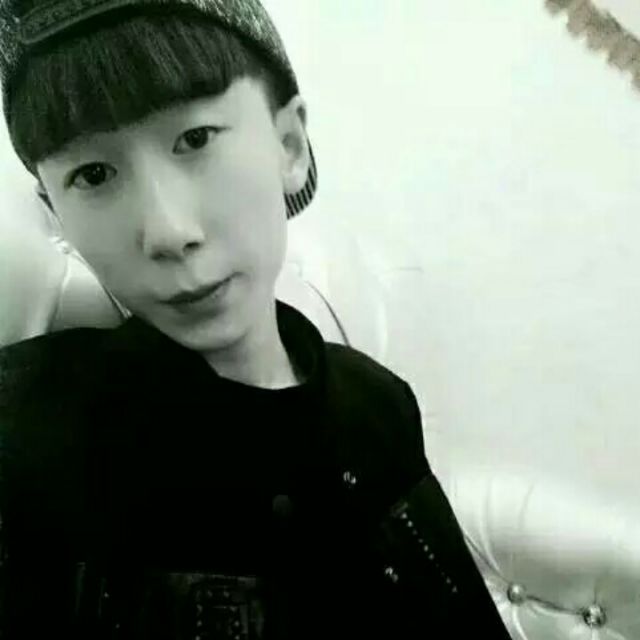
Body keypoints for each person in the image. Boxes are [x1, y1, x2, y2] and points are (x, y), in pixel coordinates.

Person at [0, 0, 512, 637]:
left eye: (195, 139)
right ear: (55, 211)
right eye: (94, 174)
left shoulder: (378, 408)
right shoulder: (23, 436)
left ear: (289, 145)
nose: (168, 232)